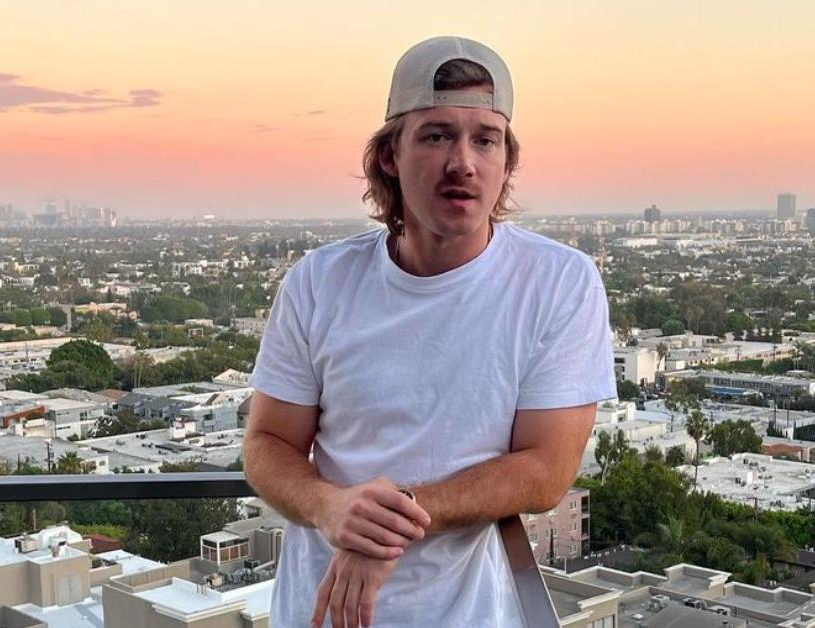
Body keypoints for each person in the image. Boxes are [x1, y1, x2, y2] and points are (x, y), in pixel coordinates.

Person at [243, 35, 615, 627]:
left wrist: (395, 523)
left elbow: (546, 469)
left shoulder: (557, 283)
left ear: (506, 163)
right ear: (390, 155)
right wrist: (329, 507)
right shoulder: (319, 282)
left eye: (484, 139)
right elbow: (267, 445)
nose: (462, 162)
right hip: (322, 611)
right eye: (437, 134)